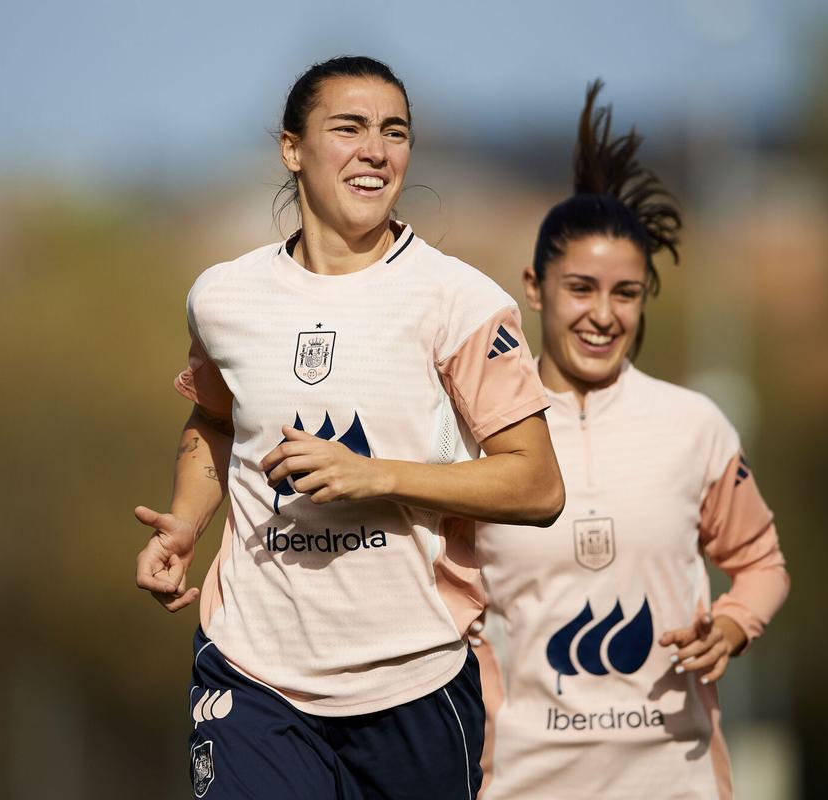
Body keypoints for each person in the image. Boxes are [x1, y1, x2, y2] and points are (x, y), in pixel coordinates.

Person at [132, 56, 564, 800]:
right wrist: (185, 522)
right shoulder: (224, 297)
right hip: (252, 672)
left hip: (414, 679)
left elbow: (538, 482)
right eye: (350, 128)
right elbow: (213, 419)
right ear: (292, 149)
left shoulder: (458, 301)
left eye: (394, 132)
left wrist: (380, 476)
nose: (376, 150)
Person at [472, 81, 790, 799]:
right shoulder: (477, 435)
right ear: (534, 285)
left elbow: (762, 563)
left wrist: (734, 624)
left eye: (625, 292)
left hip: (671, 781)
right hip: (520, 784)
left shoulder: (694, 426)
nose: (603, 315)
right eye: (581, 288)